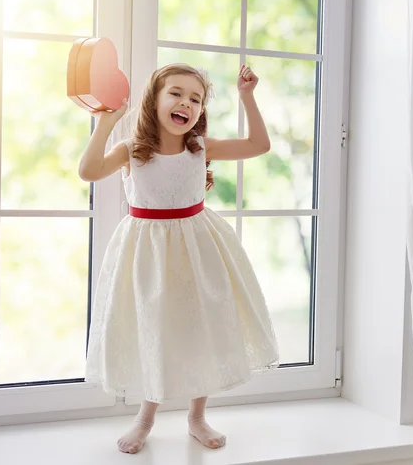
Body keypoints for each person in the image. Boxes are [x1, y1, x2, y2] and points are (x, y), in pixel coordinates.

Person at [79, 63, 279, 454]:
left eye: (196, 99)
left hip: (197, 249)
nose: (186, 103)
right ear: (153, 99)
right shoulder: (133, 151)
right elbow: (88, 171)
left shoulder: (200, 147)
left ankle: (197, 416)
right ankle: (145, 417)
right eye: (176, 93)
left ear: (200, 111)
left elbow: (259, 146)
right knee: (155, 329)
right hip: (147, 255)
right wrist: (107, 122)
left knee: (198, 328)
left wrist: (247, 97)